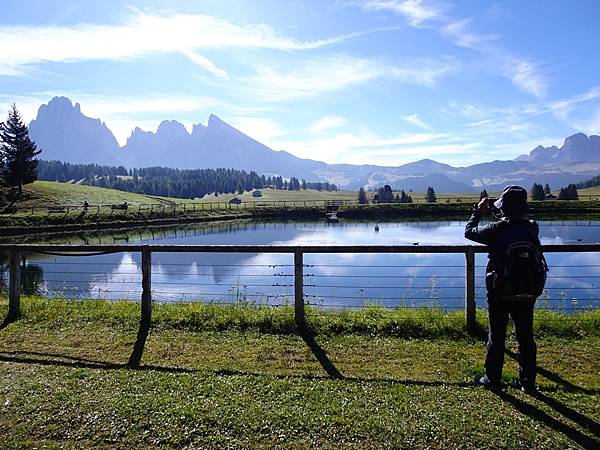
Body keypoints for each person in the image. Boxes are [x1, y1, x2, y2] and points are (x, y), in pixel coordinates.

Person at [464, 185, 543, 393]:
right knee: (525, 336)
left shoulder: (496, 229)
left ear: (504, 208)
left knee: (497, 335)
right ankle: (527, 382)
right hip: (528, 290)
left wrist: (478, 212)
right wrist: (496, 211)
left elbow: (469, 232)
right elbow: (513, 222)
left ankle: (492, 378)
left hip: (499, 290)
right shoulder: (532, 227)